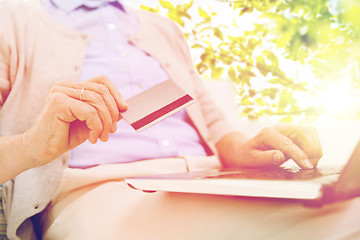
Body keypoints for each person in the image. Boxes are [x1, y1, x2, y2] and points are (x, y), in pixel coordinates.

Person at [0, 0, 359, 239]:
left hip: (212, 177)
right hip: (98, 190)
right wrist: (33, 145)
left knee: (347, 209)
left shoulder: (163, 28)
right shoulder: (12, 19)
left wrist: (247, 150)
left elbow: (217, 128)